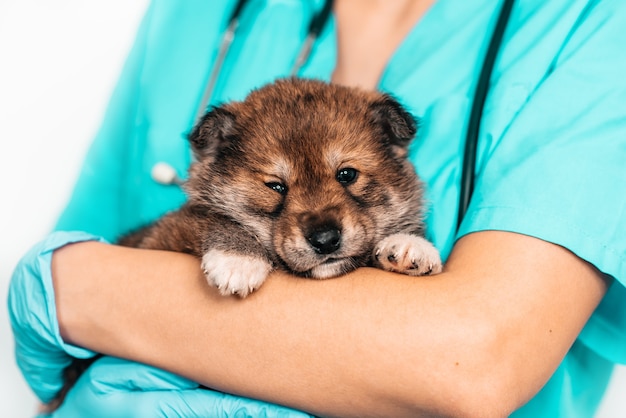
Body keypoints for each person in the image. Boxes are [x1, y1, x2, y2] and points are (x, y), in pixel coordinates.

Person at [8, 0, 626, 416]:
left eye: (348, 176)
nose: (318, 214)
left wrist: (82, 288)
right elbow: (87, 281)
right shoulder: (195, 12)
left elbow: (476, 355)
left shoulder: (597, 24)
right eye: (274, 189)